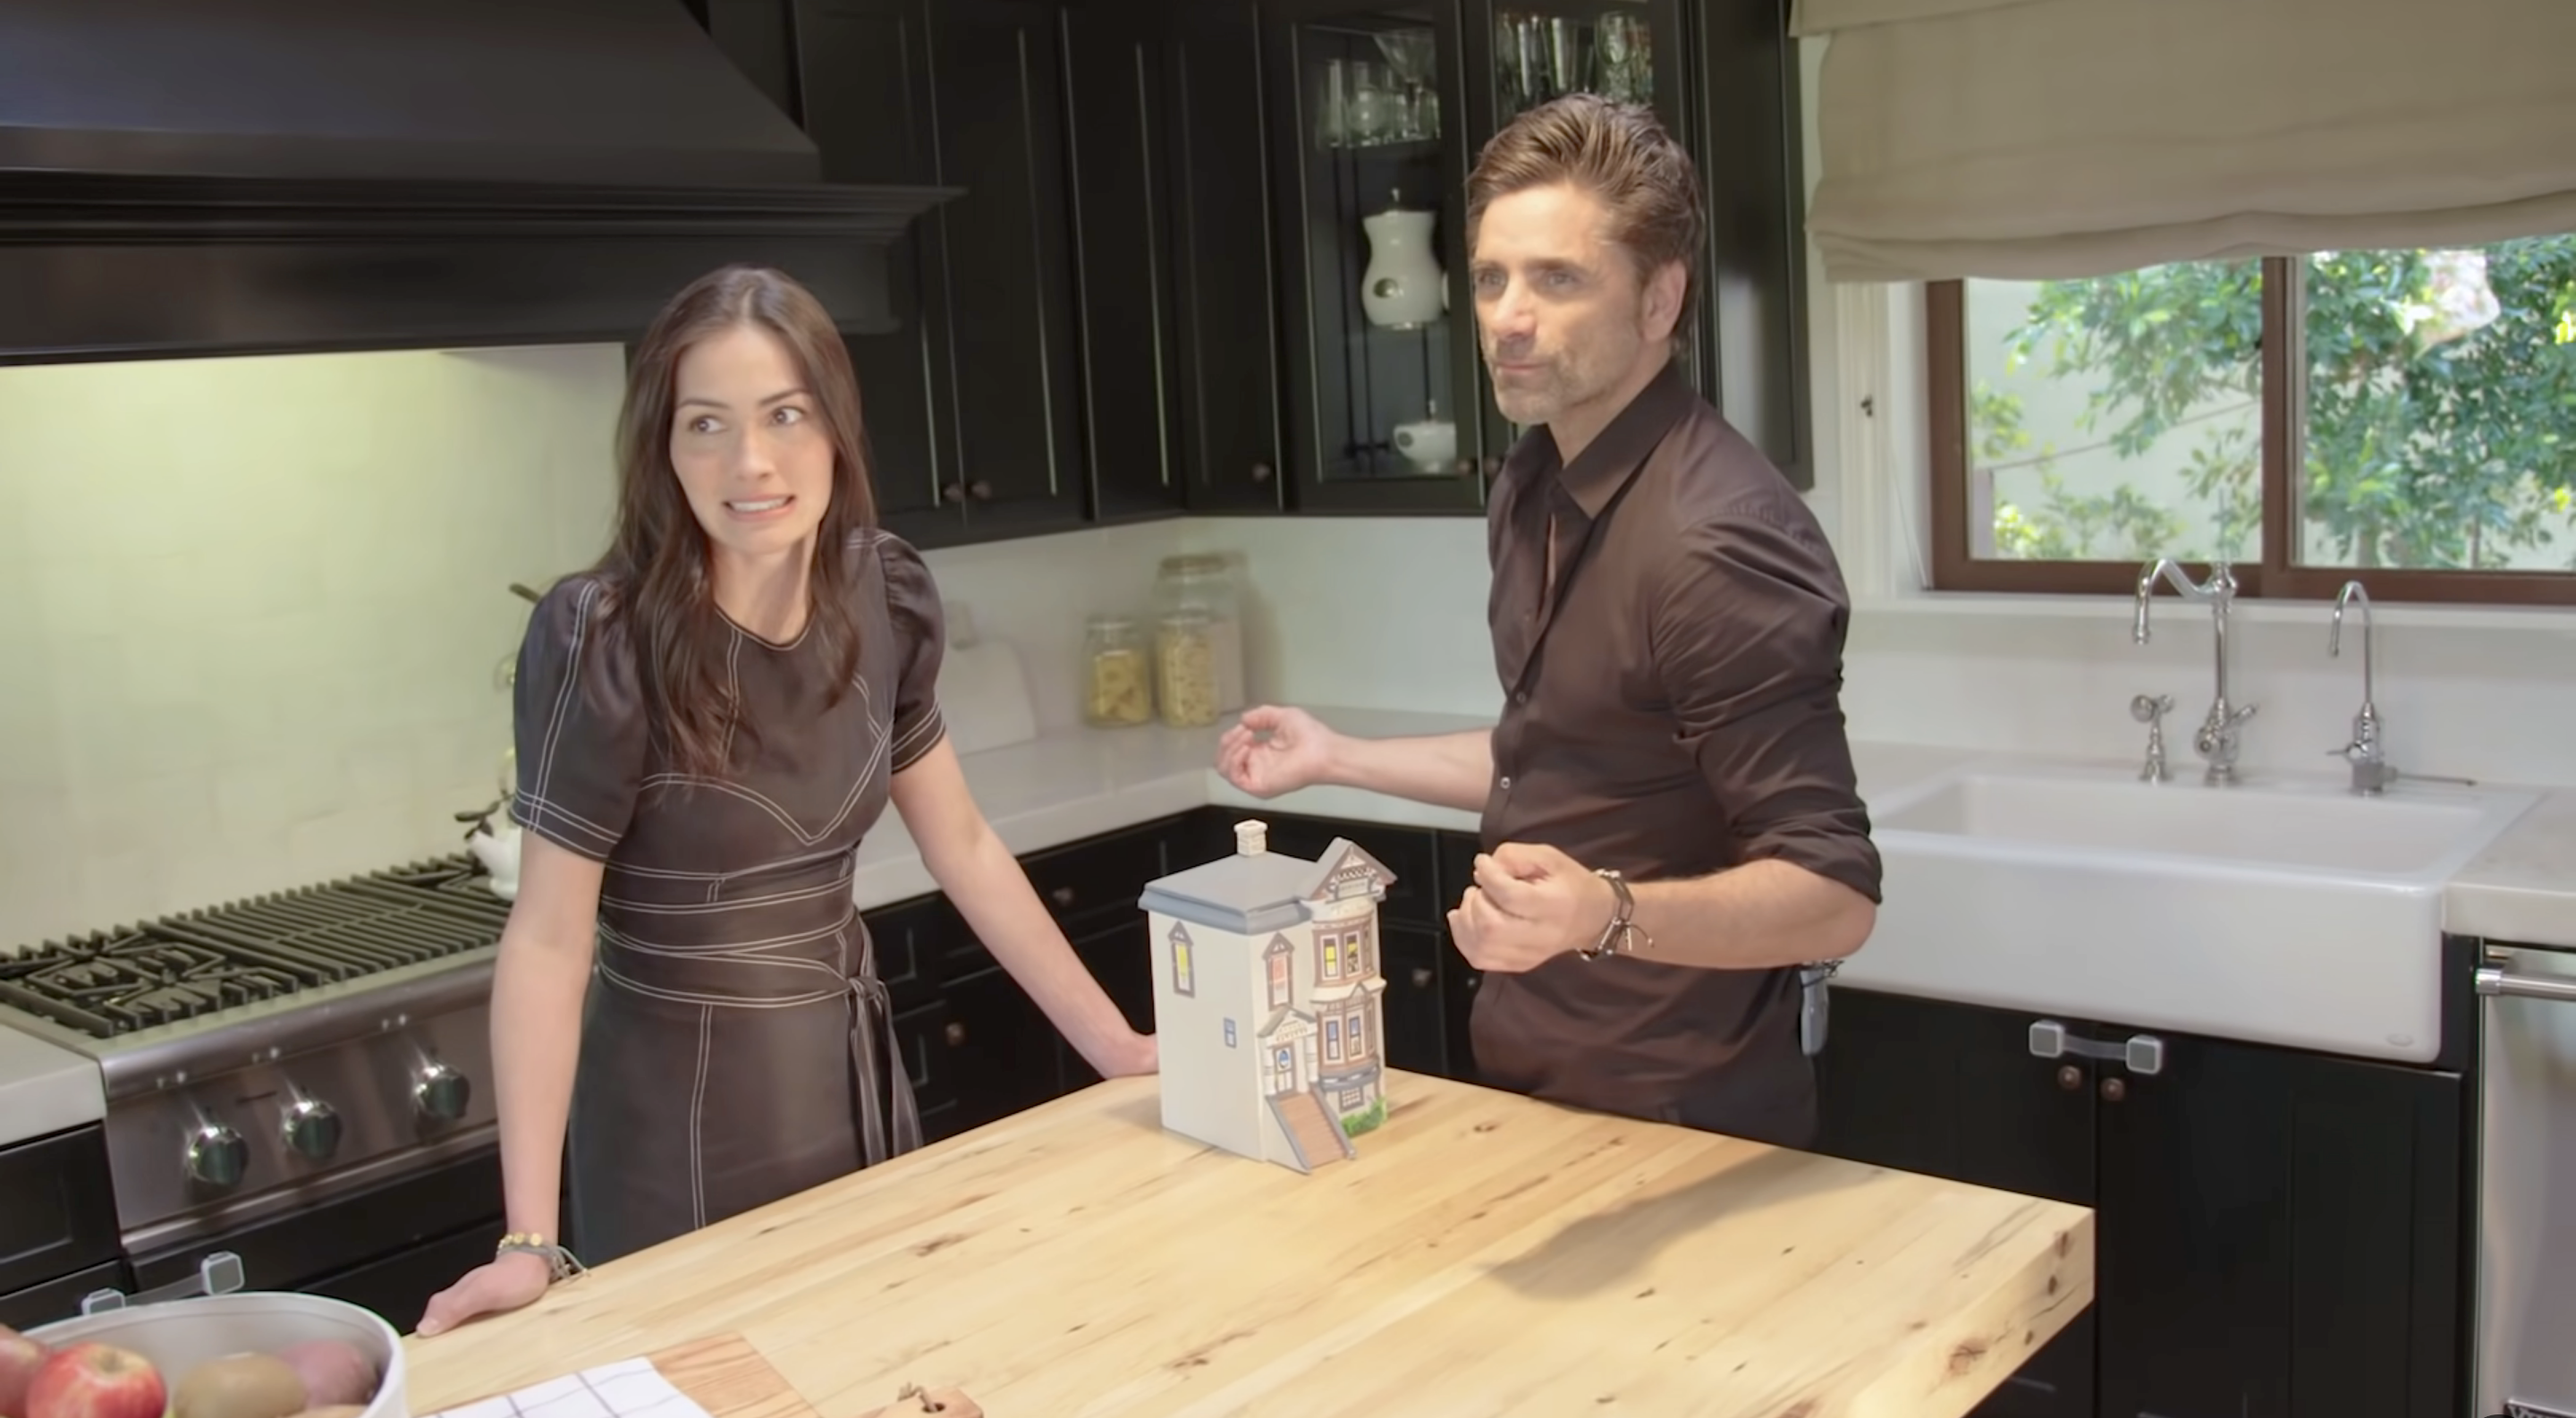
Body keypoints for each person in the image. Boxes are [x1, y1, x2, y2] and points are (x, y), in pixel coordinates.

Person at [417, 265, 1157, 1336]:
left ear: (835, 427)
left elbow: (964, 843)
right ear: (661, 448)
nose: (749, 462)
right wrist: (530, 1242)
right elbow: (545, 940)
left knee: (876, 1358)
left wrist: (1117, 1045)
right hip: (670, 1117)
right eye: (705, 423)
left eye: (783, 415)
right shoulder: (603, 635)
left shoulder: (885, 591)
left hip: (849, 1080)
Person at [1216, 95, 1880, 1151]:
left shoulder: (1719, 540)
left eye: (1558, 279)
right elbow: (1560, 763)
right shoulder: (1532, 483)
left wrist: (1603, 912)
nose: (1507, 316)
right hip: (1532, 1073)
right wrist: (1336, 755)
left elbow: (1833, 893)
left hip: (1685, 1111)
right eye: (1491, 278)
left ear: (1660, 300)